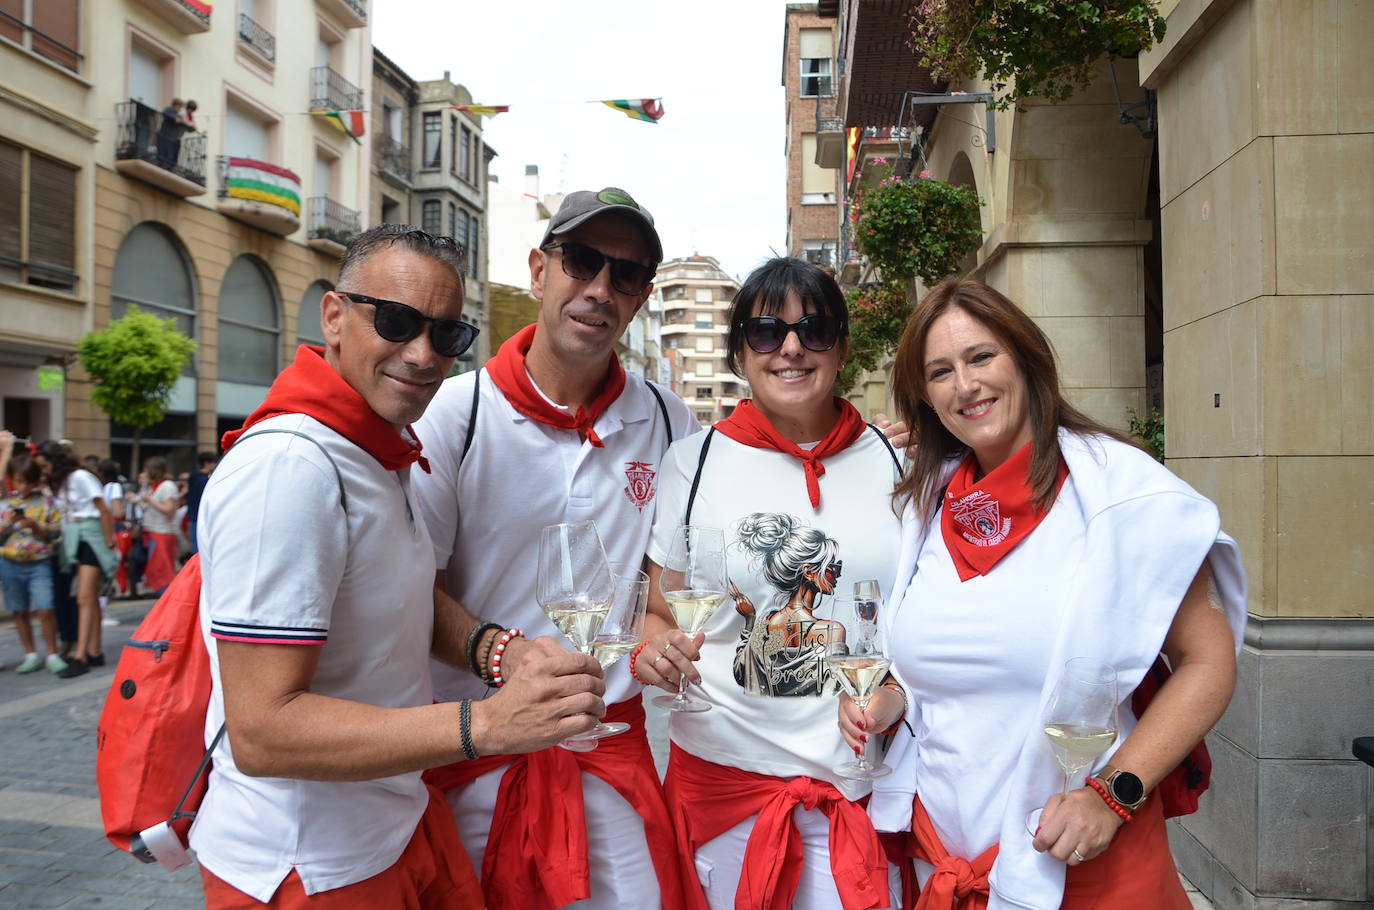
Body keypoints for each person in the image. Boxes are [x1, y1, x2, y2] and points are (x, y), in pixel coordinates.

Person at [192, 224, 607, 908]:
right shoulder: (294, 467)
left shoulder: (373, 449)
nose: (422, 355)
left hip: (394, 823)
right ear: (334, 315)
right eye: (395, 321)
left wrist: (498, 652)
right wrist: (488, 726)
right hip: (309, 863)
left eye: (446, 335)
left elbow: (400, 601)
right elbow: (262, 730)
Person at [850, 279, 1246, 909]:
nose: (966, 385)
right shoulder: (926, 507)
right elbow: (938, 664)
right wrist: (891, 699)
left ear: (1027, 359)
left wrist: (1113, 795)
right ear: (925, 396)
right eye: (941, 371)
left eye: (982, 357)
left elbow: (1208, 662)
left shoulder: (1125, 495)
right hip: (945, 857)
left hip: (1080, 858)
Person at [411, 187, 702, 910]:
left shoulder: (670, 421)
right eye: (581, 261)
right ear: (539, 270)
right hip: (477, 754)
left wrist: (656, 645)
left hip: (609, 754)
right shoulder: (457, 413)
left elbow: (657, 593)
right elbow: (411, 594)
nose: (600, 289)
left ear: (640, 298)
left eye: (625, 275)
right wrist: (503, 655)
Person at [638, 258, 906, 909]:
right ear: (740, 353)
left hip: (869, 783)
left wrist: (893, 695)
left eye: (813, 331)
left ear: (842, 349)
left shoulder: (898, 460)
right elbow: (655, 611)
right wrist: (655, 652)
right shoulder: (692, 464)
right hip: (729, 786)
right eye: (766, 332)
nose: (790, 348)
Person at [36, 440, 118, 678]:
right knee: (88, 596)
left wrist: (109, 542)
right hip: (77, 536)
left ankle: (81, 656)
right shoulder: (62, 482)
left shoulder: (81, 476)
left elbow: (103, 508)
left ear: (55, 462)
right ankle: (95, 650)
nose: (43, 470)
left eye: (45, 465)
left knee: (83, 596)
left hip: (91, 535)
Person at [1, 456, 67, 675]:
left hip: (39, 563)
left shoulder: (46, 502)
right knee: (19, 610)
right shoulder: (6, 503)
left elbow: (56, 532)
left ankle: (52, 654)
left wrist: (36, 526)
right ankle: (30, 654)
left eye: (28, 481)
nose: (23, 486)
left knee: (45, 608)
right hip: (9, 562)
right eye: (19, 481)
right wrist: (9, 524)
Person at [184, 451, 217, 554]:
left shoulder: (193, 477)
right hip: (202, 519)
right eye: (214, 462)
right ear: (207, 463)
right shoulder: (204, 480)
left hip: (193, 517)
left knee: (197, 551)